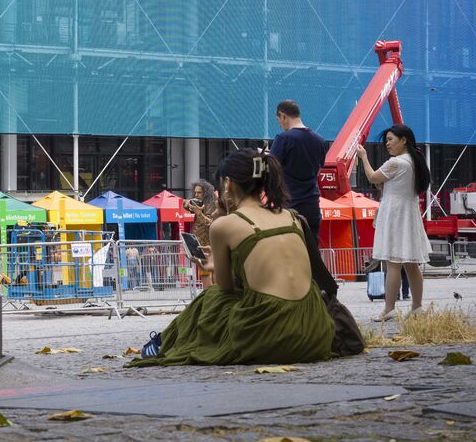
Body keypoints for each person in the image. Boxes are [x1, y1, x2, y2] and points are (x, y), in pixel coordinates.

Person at [131, 149, 334, 366]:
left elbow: (225, 288)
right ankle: (164, 340)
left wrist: (213, 264)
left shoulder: (225, 225)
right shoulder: (292, 217)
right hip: (315, 329)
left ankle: (165, 341)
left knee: (210, 296)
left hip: (273, 335)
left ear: (228, 183)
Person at [356, 124, 431, 320]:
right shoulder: (414, 161)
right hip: (409, 212)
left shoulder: (395, 162)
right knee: (411, 264)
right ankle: (417, 306)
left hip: (394, 213)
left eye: (390, 139)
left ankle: (389, 308)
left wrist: (363, 157)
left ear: (403, 140)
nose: (387, 144)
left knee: (393, 263)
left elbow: (373, 177)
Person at [268, 100, 328, 242]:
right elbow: (318, 172)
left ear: (283, 116)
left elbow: (271, 170)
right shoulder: (320, 140)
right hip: (312, 205)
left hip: (289, 205)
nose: (280, 125)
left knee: (289, 249)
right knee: (311, 248)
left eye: (279, 120)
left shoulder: (283, 139)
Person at [185, 179, 221, 249]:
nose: (196, 195)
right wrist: (187, 203)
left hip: (208, 243)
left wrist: (199, 213)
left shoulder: (213, 204)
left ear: (206, 193)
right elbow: (185, 205)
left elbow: (211, 223)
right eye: (195, 192)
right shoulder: (200, 203)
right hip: (198, 241)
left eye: (199, 192)